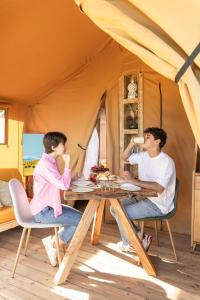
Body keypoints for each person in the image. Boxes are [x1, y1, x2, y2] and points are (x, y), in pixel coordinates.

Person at [110, 127, 176, 252]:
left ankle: (131, 244)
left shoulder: (166, 162)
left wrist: (132, 180)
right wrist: (131, 143)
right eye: (144, 136)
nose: (144, 138)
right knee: (114, 208)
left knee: (120, 212)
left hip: (159, 204)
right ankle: (140, 238)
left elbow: (159, 188)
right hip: (143, 196)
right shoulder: (143, 156)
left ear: (157, 141)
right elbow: (124, 157)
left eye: (148, 137)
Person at [30, 131, 82, 266]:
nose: (66, 147)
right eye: (63, 144)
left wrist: (71, 177)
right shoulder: (46, 165)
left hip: (50, 207)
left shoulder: (50, 161)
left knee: (82, 218)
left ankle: (55, 241)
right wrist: (68, 164)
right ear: (53, 147)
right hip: (43, 212)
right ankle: (54, 244)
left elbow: (59, 181)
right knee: (82, 222)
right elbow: (63, 185)